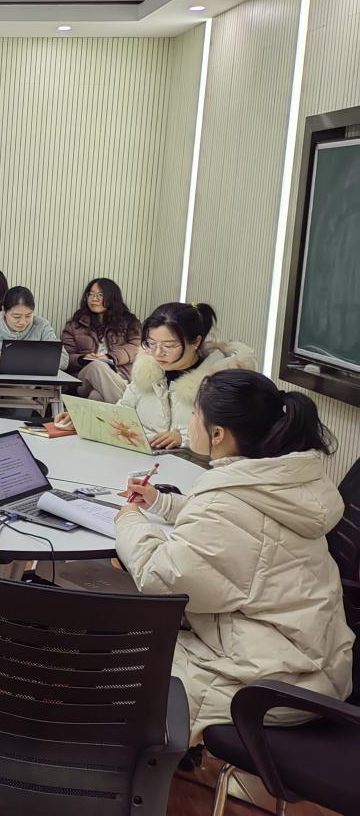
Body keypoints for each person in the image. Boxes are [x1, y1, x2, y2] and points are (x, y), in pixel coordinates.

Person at [115, 369, 354, 744]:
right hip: (314, 661)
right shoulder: (283, 479)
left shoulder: (228, 500)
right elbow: (246, 528)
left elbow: (160, 577)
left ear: (218, 435)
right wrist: (162, 503)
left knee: (116, 665)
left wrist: (129, 520)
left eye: (195, 413)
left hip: (269, 684)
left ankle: (147, 769)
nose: (190, 420)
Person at [116, 302, 256, 450]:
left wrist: (184, 436)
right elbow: (122, 410)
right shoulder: (147, 371)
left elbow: (229, 432)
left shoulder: (219, 382)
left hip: (195, 461)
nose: (158, 353)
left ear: (196, 342)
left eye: (168, 346)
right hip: (144, 456)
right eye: (151, 343)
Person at [61, 277, 141, 403]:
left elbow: (135, 347)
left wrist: (109, 357)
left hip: (119, 375)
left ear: (112, 297)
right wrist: (83, 358)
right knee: (97, 365)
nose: (94, 299)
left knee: (96, 396)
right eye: (91, 294)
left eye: (100, 295)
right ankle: (128, 409)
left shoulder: (129, 323)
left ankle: (121, 410)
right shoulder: (74, 326)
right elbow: (65, 357)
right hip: (84, 379)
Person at [0, 286, 68, 372]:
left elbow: (63, 360)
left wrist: (17, 359)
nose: (23, 322)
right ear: (4, 311)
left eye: (28, 316)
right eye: (16, 316)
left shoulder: (41, 326)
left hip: (27, 387)